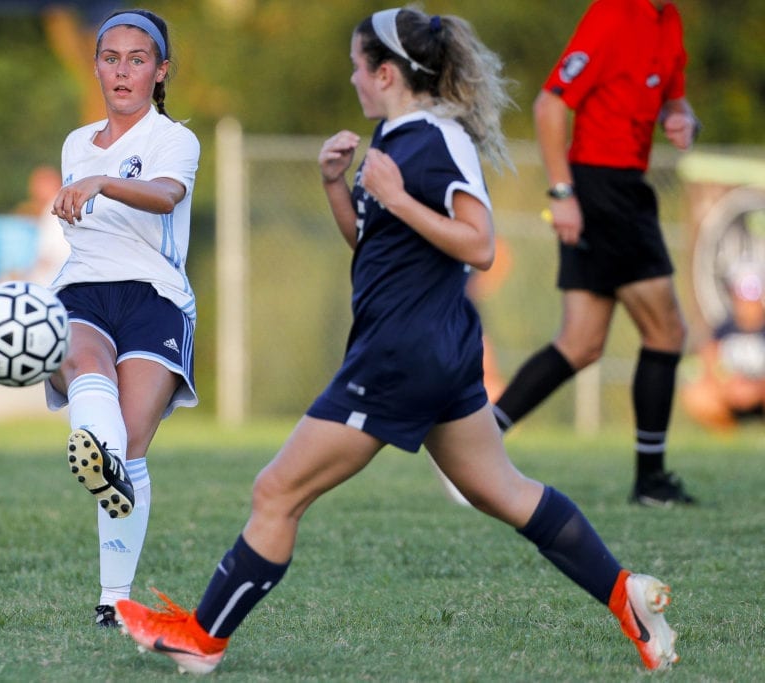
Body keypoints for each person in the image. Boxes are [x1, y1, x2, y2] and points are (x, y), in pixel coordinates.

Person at [116, 8, 678, 674]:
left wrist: (398, 197)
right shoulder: (397, 137)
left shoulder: (434, 141)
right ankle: (626, 595)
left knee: (277, 492)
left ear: (386, 73)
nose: (352, 78)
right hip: (435, 351)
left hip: (400, 354)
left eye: (358, 66)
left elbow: (481, 244)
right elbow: (374, 242)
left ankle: (202, 639)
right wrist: (336, 185)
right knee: (505, 489)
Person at [491, 0, 700, 507]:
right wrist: (563, 194)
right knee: (667, 332)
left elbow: (673, 100)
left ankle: (475, 438)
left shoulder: (667, 19)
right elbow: (549, 104)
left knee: (581, 343)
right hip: (601, 188)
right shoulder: (612, 13)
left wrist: (680, 117)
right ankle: (650, 481)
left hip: (625, 187)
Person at [44, 9, 200, 629]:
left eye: (138, 60)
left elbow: (165, 195)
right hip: (83, 288)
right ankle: (94, 447)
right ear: (97, 66)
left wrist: (104, 184)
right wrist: (78, 189)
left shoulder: (173, 139)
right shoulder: (76, 143)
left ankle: (114, 599)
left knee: (129, 447)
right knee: (83, 359)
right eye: (111, 58)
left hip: (153, 297)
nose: (123, 71)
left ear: (160, 71)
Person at [682, 262, 765, 430]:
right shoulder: (722, 329)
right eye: (741, 292)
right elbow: (708, 362)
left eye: (752, 292)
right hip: (730, 394)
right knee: (696, 394)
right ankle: (726, 434)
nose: (746, 300)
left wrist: (756, 389)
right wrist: (729, 386)